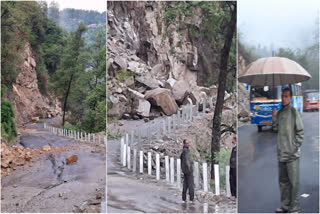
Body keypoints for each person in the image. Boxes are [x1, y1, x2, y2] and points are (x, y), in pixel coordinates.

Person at [272, 87, 304, 213]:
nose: (284, 98)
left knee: (294, 183)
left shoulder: (294, 112)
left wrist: (294, 146)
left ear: (290, 98)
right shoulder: (279, 113)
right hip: (281, 154)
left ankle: (294, 208)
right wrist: (274, 118)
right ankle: (285, 206)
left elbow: (300, 132)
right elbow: (275, 129)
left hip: (292, 155)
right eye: (283, 96)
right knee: (283, 182)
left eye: (286, 96)